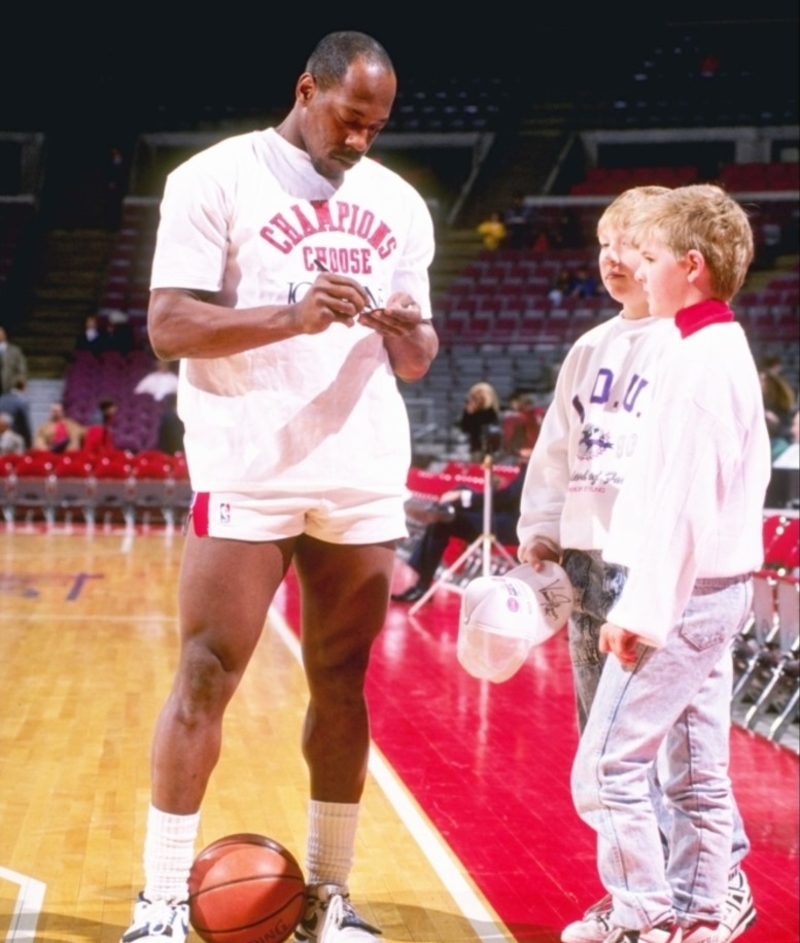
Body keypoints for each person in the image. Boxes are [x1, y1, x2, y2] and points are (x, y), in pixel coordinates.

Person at [120, 31, 437, 943]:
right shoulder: (214, 179)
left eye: (377, 127)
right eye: (350, 119)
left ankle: (329, 898)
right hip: (248, 465)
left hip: (361, 470)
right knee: (206, 672)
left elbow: (418, 356)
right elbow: (170, 325)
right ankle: (162, 900)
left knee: (343, 679)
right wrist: (291, 317)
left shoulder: (399, 204)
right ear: (308, 89)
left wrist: (406, 330)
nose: (362, 141)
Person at [517, 186, 756, 943]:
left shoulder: (692, 359)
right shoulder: (713, 344)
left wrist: (643, 611)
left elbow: (680, 505)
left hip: (674, 591)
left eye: (647, 254)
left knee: (608, 765)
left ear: (688, 265)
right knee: (692, 764)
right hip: (703, 583)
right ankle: (700, 913)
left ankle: (644, 916)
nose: (632, 266)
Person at [391, 451, 528, 603]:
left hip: (511, 526)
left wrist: (463, 496)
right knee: (447, 511)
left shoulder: (533, 465)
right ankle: (438, 511)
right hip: (502, 517)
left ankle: (421, 584)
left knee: (444, 520)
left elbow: (508, 497)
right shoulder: (526, 464)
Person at [459, 381, 500, 460]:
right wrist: (469, 413)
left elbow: (487, 427)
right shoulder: (470, 412)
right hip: (472, 446)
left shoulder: (490, 412)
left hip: (488, 448)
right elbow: (464, 428)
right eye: (474, 396)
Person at [0, 379, 33, 448]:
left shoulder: (2, 398)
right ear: (24, 388)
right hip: (14, 443)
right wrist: (29, 444)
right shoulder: (22, 401)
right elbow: (25, 425)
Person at [0, 326, 27, 394]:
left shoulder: (15, 351)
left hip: (10, 387)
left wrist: (20, 382)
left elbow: (22, 368)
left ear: (5, 335)